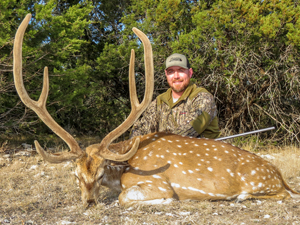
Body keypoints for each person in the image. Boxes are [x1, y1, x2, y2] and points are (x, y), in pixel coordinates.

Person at [130, 53, 220, 139]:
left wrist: (159, 143)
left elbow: (188, 130)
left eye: (181, 70)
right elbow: (141, 129)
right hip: (167, 152)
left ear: (190, 72)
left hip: (201, 153)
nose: (176, 76)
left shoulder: (203, 98)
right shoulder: (160, 101)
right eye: (171, 72)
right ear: (166, 74)